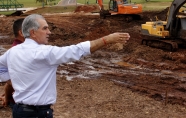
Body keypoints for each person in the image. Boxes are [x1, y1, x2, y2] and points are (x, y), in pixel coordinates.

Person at [0, 14, 130, 118]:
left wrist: (13, 76)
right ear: (33, 32)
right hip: (38, 113)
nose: (49, 32)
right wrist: (106, 40)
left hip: (19, 111)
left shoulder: (13, 52)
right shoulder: (45, 53)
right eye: (45, 28)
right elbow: (77, 50)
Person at [0, 18, 25, 108]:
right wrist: (8, 97)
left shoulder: (19, 49)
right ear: (21, 32)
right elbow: (11, 80)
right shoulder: (18, 52)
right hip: (23, 104)